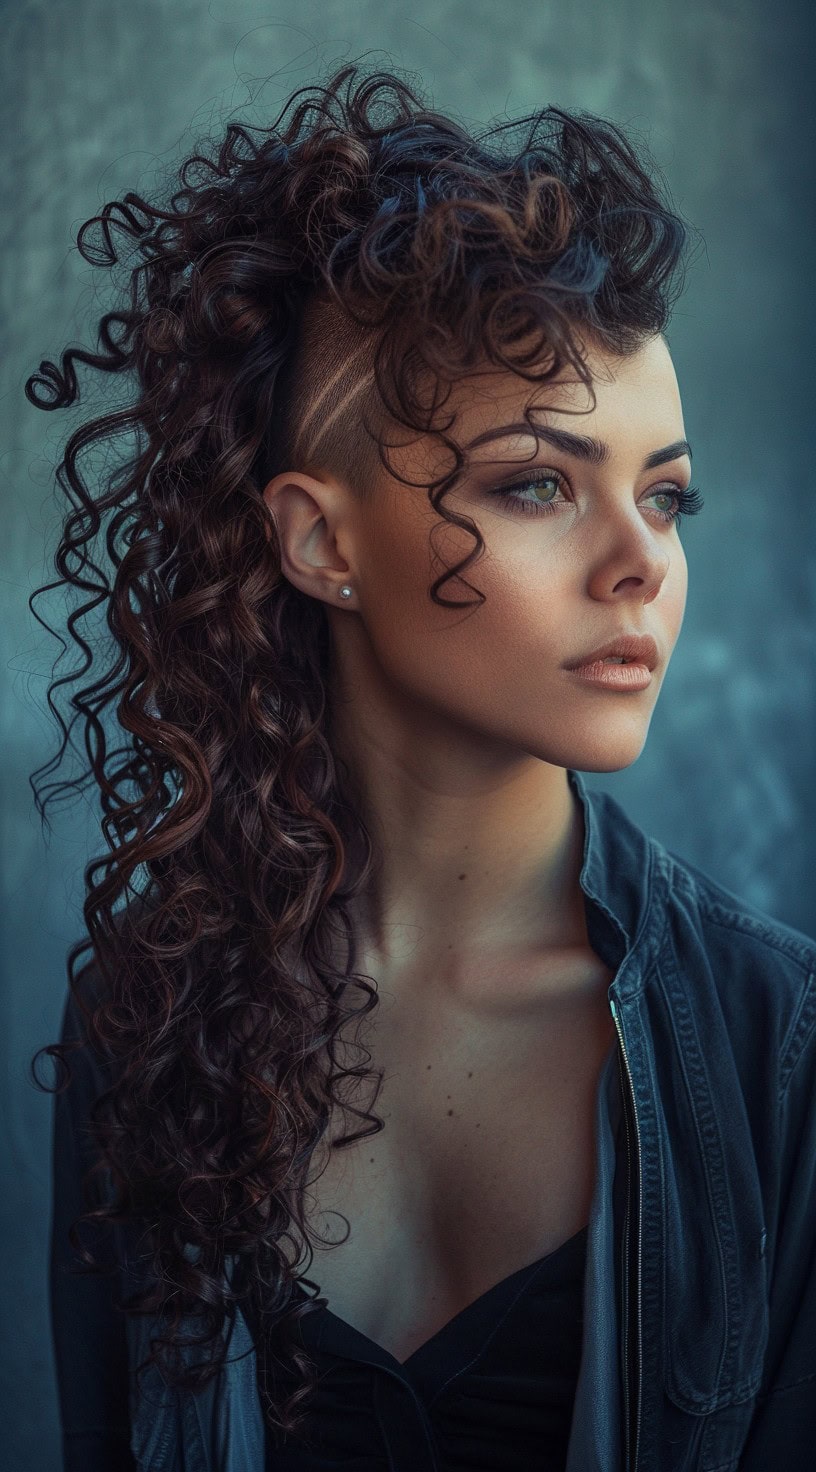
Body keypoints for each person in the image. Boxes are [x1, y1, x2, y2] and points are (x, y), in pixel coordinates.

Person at [31, 59, 816, 1472]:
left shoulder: (783, 1048)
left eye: (666, 494)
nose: (643, 564)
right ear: (322, 544)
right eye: (538, 483)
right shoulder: (147, 1021)